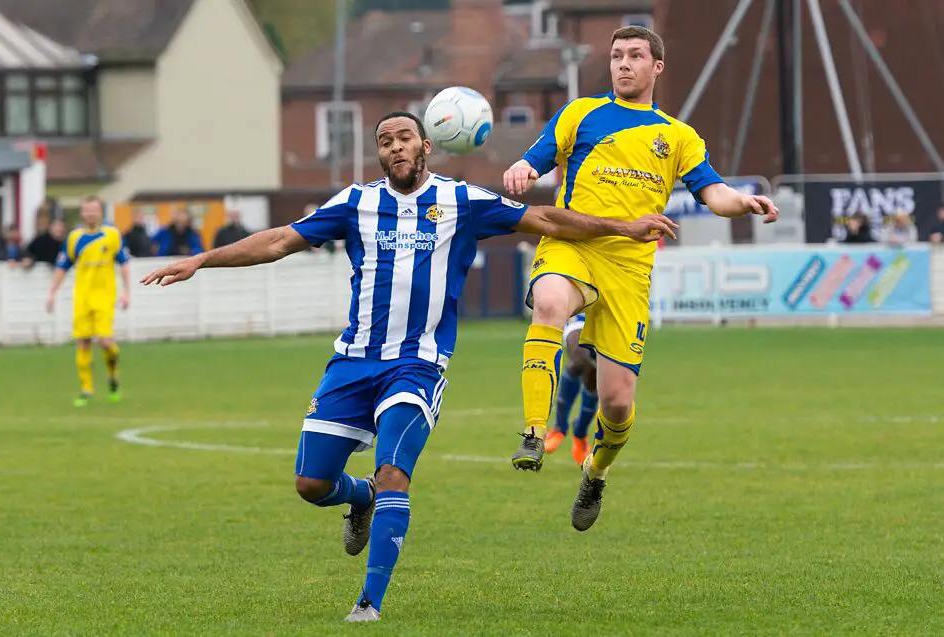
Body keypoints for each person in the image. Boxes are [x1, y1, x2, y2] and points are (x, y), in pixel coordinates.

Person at [140, 111, 677, 623]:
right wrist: (201, 260)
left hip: (417, 366)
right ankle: (363, 496)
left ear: (426, 145)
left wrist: (621, 227)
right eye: (385, 141)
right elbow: (281, 239)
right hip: (352, 362)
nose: (395, 147)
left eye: (404, 138)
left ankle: (368, 603)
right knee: (310, 484)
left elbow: (544, 217)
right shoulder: (355, 203)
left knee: (395, 469)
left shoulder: (461, 200)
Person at [502, 25, 778, 531]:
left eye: (634, 56)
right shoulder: (580, 113)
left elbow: (714, 193)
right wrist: (521, 167)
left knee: (618, 403)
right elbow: (535, 158)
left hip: (629, 268)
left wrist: (744, 202)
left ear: (656, 68)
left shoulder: (677, 136)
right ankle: (535, 431)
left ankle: (596, 474)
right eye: (616, 56)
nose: (623, 63)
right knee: (548, 304)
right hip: (573, 245)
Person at [46, 196, 131, 406]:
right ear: (82, 213)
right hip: (82, 297)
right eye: (86, 210)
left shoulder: (112, 235)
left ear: (100, 212)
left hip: (104, 297)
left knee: (105, 342)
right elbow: (62, 267)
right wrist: (51, 293)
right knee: (83, 342)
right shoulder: (74, 238)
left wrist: (127, 291)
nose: (90, 214)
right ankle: (86, 389)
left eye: (94, 210)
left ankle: (113, 377)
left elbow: (124, 264)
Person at [543, 313, 598, 465]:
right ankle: (559, 428)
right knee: (580, 360)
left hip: (611, 317)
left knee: (597, 378)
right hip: (582, 314)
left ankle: (580, 432)